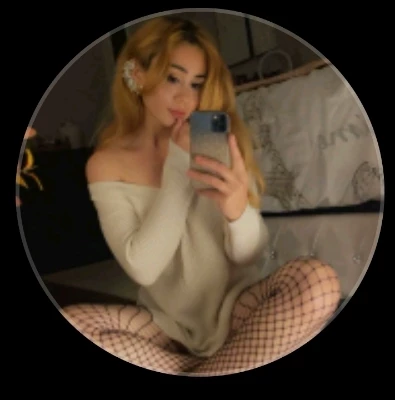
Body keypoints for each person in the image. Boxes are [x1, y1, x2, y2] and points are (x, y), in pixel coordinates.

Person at [62, 15, 341, 376]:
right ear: (137, 74)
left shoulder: (217, 141)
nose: (185, 97)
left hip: (237, 310)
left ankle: (208, 368)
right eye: (172, 78)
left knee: (319, 282)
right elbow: (144, 267)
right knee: (73, 323)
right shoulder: (106, 163)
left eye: (197, 84)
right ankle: (228, 365)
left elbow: (249, 255)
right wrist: (178, 166)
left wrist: (237, 211)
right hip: (167, 326)